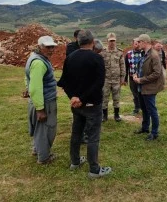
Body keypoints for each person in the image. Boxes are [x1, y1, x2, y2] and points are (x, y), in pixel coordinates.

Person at [57, 30, 112, 179]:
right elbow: (99, 83)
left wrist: (73, 98)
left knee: (76, 133)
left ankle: (75, 162)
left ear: (78, 42)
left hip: (76, 105)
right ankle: (94, 170)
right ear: (92, 42)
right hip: (92, 105)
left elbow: (63, 82)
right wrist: (82, 98)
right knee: (93, 137)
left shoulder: (70, 58)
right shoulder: (97, 58)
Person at [25, 35, 58, 164]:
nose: (51, 50)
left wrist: (28, 88)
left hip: (38, 100)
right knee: (47, 129)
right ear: (40, 47)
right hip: (45, 102)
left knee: (39, 128)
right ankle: (44, 157)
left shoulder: (34, 58)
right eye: (48, 47)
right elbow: (36, 87)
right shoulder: (39, 62)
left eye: (52, 47)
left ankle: (36, 150)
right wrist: (40, 109)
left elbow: (29, 79)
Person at [133, 34, 164, 141]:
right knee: (144, 109)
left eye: (140, 42)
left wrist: (141, 80)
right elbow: (142, 67)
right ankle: (145, 128)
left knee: (152, 110)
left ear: (145, 42)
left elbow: (157, 73)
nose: (138, 44)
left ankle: (154, 133)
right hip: (142, 87)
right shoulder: (144, 54)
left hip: (149, 87)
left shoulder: (154, 55)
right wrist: (136, 74)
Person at [101, 33, 126, 122]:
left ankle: (116, 115)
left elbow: (122, 66)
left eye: (113, 41)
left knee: (116, 97)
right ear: (107, 41)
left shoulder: (119, 52)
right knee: (104, 97)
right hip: (106, 79)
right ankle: (104, 115)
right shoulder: (103, 52)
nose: (112, 43)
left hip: (116, 80)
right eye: (110, 41)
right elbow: (100, 66)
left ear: (115, 41)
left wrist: (122, 78)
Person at [124, 38, 144, 115]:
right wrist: (125, 79)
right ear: (132, 44)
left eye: (139, 43)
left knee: (142, 93)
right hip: (132, 78)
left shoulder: (143, 53)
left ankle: (143, 107)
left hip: (141, 78)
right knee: (135, 93)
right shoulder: (128, 54)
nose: (137, 45)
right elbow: (126, 67)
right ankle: (136, 107)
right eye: (136, 43)